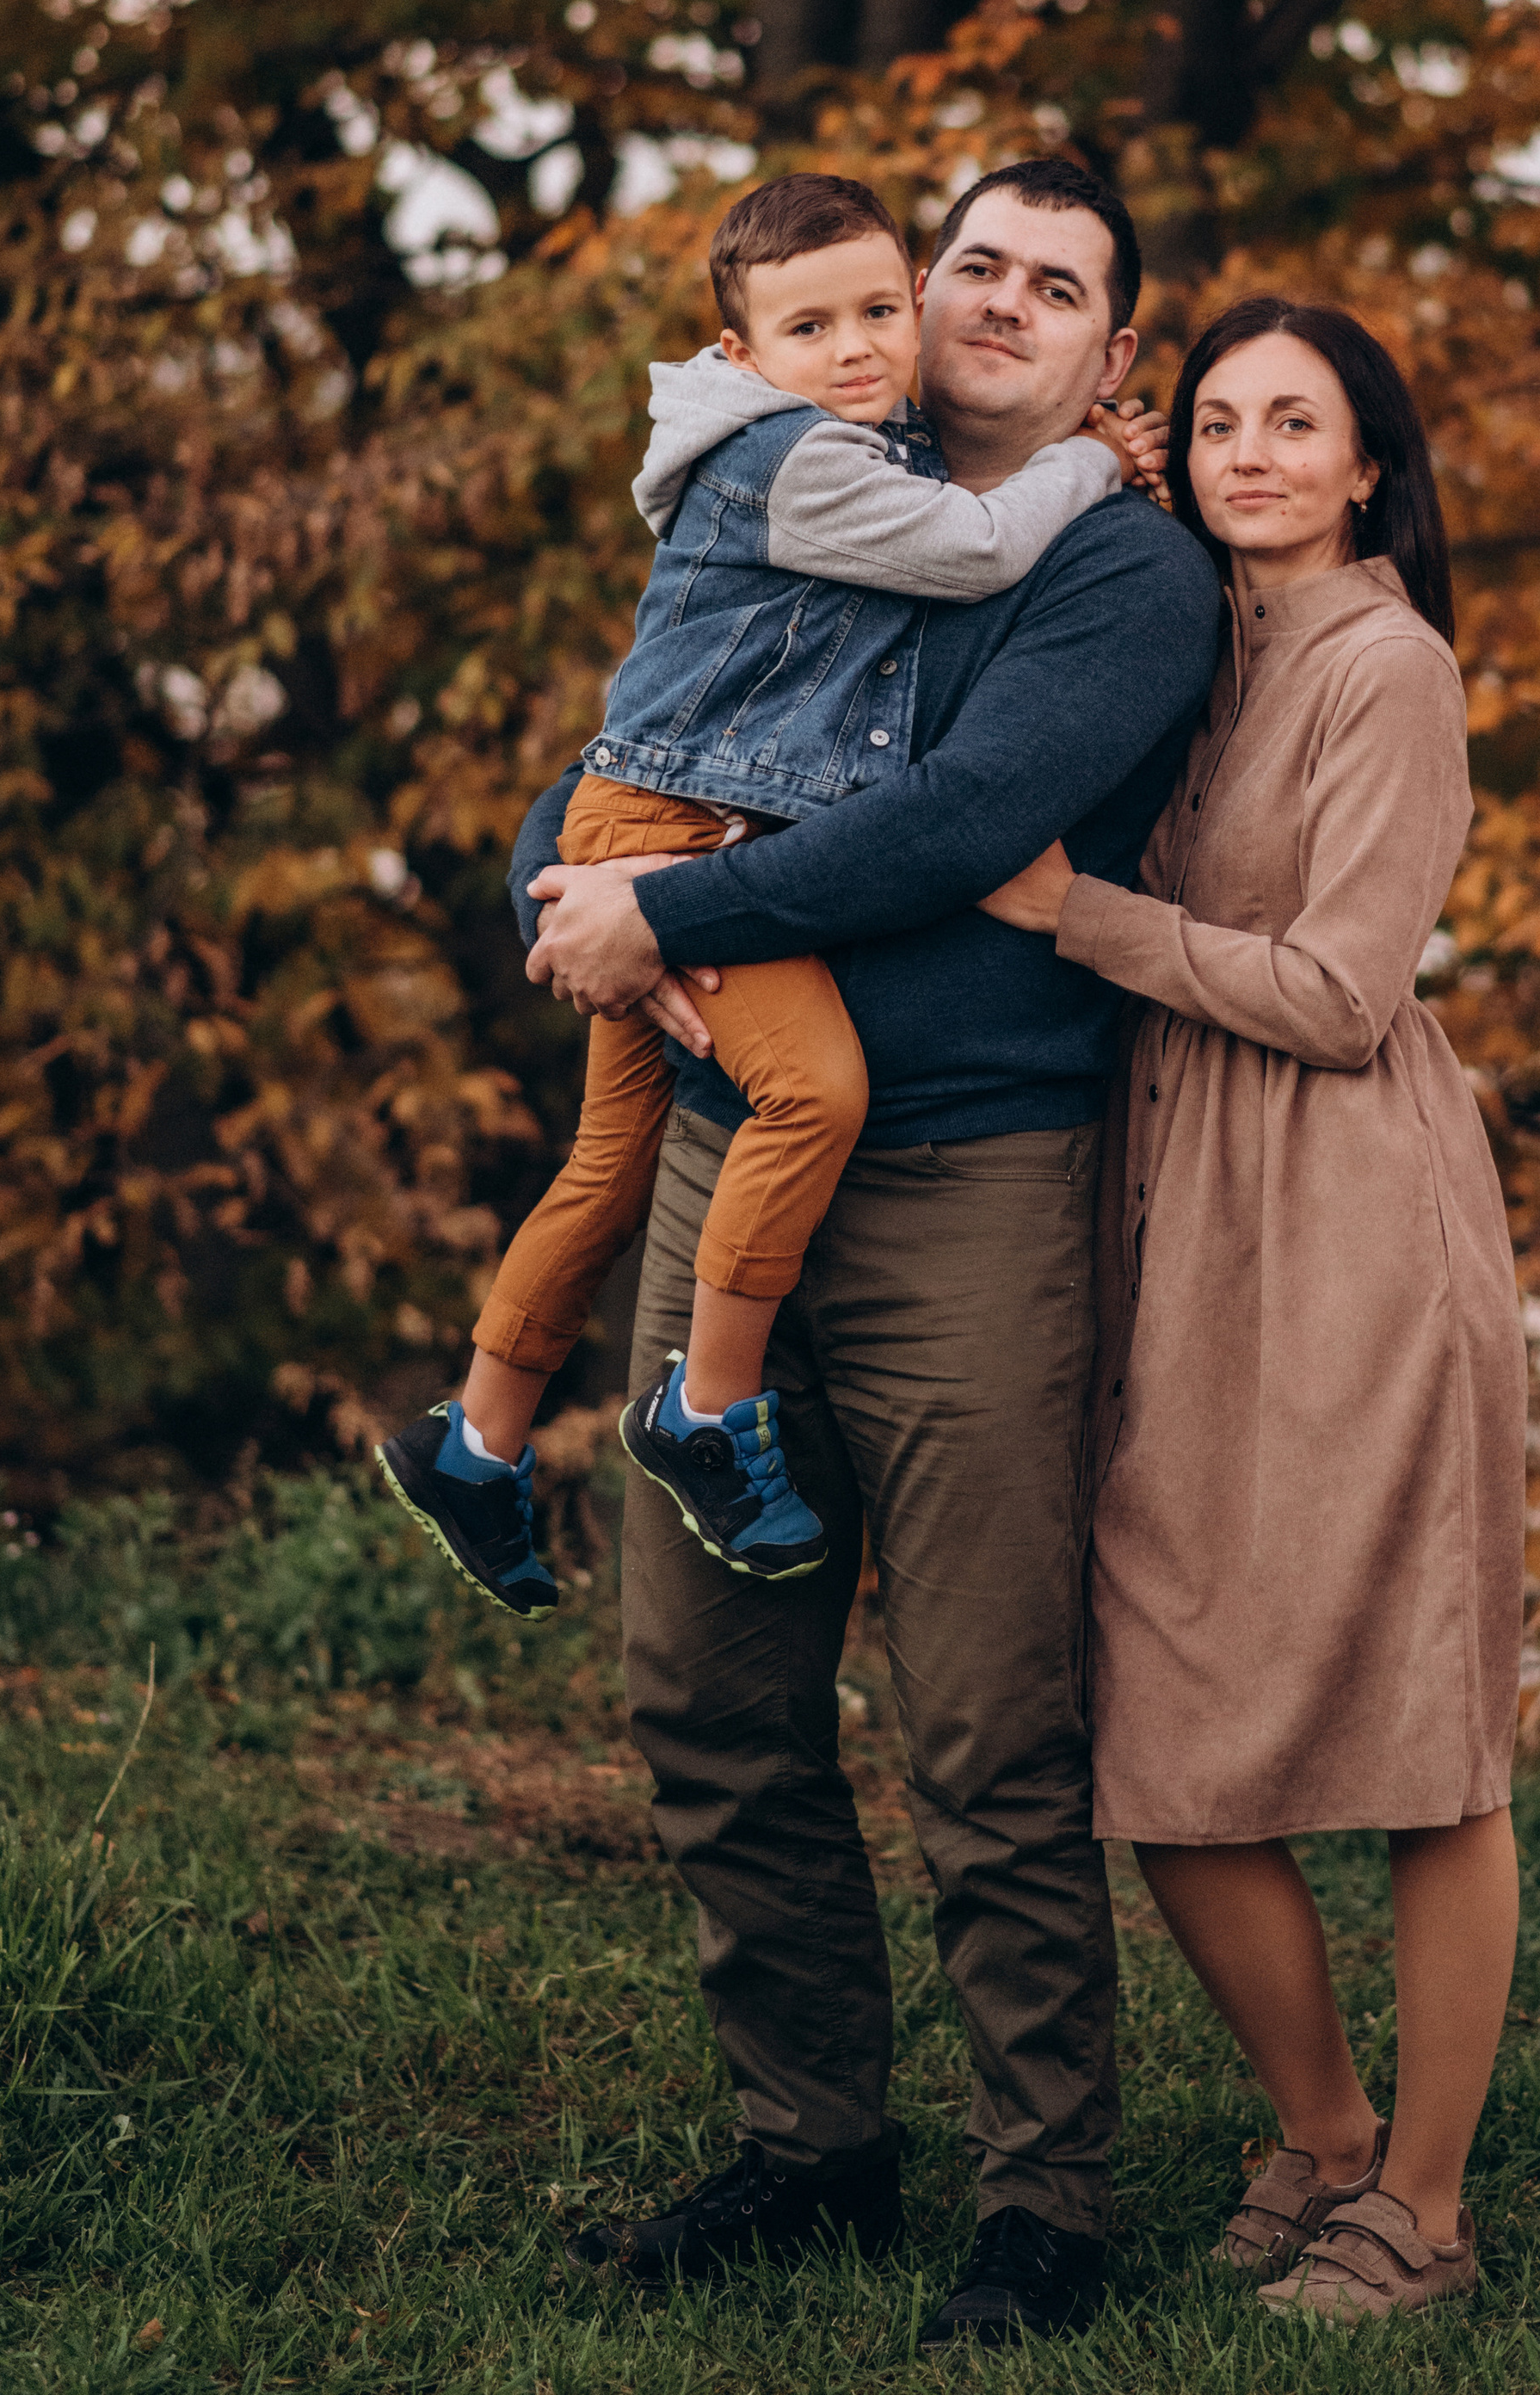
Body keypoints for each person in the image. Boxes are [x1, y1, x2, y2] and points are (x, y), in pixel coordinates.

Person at [508, 164, 1223, 2345]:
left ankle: (1045, 2202)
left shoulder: (1124, 574)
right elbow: (641, 740)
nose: (1001, 303)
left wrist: (673, 921)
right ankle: (809, 2144)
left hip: (960, 1186)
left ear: (1115, 351)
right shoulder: (800, 464)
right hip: (730, 1164)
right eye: (971, 265)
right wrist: (558, 887)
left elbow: (951, 829)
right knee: (705, 1696)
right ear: (910, 301)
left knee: (990, 1719)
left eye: (1058, 285)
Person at [980, 295, 1526, 2326]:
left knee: (1424, 1733)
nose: (1252, 454)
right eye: (1216, 422)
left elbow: (1340, 990)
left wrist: (1075, 914)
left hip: (1356, 1226)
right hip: (1186, 1219)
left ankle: (1426, 2204)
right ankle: (1315, 2131)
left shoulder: (1386, 665)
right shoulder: (1185, 642)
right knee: (1163, 1713)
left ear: (1367, 461)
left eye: (1296, 423)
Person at [374, 170, 1135, 1616]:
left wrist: (611, 897)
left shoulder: (853, 433)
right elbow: (973, 552)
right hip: (685, 830)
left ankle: (474, 1444)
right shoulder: (800, 460)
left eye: (873, 312)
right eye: (812, 325)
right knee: (813, 1095)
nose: (855, 347)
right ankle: (707, 1412)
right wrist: (1094, 458)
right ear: (740, 355)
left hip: (656, 820)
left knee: (605, 1169)